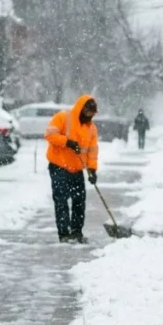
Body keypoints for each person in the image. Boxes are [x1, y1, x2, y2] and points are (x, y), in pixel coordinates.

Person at [45, 95, 99, 243]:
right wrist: (67, 142)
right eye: (88, 113)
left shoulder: (91, 128)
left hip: (76, 169)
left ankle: (76, 232)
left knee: (79, 200)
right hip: (59, 166)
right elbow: (49, 135)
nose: (90, 117)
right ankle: (63, 234)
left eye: (92, 114)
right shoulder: (63, 117)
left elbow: (92, 151)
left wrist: (92, 170)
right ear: (82, 109)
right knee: (61, 200)